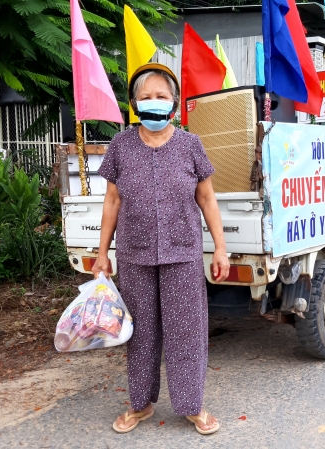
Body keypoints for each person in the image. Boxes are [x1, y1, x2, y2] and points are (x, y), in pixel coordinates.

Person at [92, 63, 230, 435]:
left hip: (182, 254)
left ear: (174, 102)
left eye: (161, 96)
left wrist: (221, 248)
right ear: (134, 104)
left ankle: (192, 405)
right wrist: (102, 253)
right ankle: (141, 404)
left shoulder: (190, 145)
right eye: (146, 97)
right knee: (139, 332)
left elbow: (207, 198)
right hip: (134, 255)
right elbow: (112, 202)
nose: (154, 103)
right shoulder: (121, 146)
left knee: (187, 331)